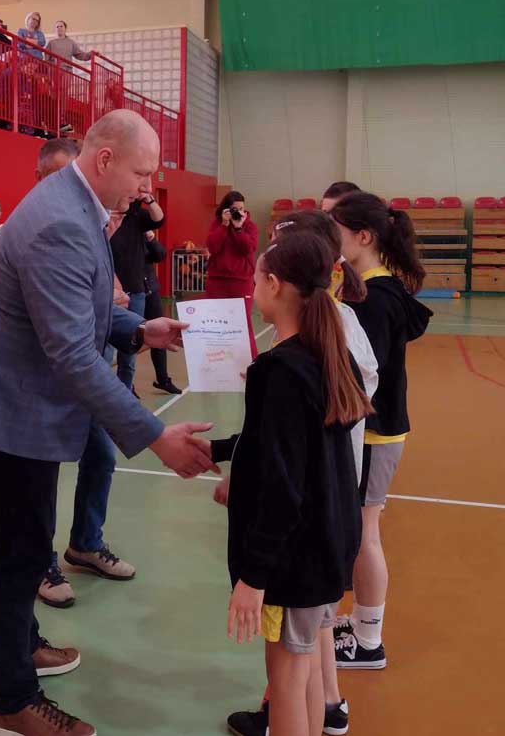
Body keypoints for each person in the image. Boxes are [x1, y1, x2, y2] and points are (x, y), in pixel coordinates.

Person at [0, 109, 217, 736]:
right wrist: (155, 435)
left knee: (27, 539)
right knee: (20, 552)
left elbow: (78, 305)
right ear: (104, 159)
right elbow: (70, 351)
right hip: (9, 405)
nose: (146, 189)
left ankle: (23, 645)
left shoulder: (76, 205)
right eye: (142, 173)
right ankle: (13, 701)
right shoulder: (62, 222)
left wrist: (139, 329)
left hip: (19, 396)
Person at [222, 210, 378, 736]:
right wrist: (223, 452)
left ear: (274, 285)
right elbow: (290, 448)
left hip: (293, 559)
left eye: (256, 279)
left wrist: (253, 578)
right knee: (305, 666)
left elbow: (283, 488)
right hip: (329, 544)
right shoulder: (327, 357)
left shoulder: (281, 370)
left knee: (286, 680)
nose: (253, 289)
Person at [329, 191, 431, 673]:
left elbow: (360, 374)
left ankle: (368, 641)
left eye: (336, 231)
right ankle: (359, 624)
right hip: (373, 428)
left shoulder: (375, 298)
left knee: (365, 532)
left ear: (364, 237)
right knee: (360, 529)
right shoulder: (367, 290)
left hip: (373, 431)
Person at [109, 191, 165, 390]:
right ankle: (107, 394)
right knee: (105, 350)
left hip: (135, 290)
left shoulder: (137, 216)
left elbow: (159, 219)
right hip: (108, 292)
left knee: (130, 349)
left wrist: (149, 199)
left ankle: (126, 391)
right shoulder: (105, 216)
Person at [206, 190, 259, 360]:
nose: (239, 212)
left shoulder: (250, 226)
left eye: (242, 209)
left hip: (241, 281)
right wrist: (224, 224)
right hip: (217, 281)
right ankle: (217, 361)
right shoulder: (217, 224)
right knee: (216, 324)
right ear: (226, 209)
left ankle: (250, 362)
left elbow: (247, 249)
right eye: (235, 209)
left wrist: (238, 228)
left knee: (243, 324)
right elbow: (213, 247)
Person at [143, 230, 181, 395]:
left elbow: (160, 254)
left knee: (160, 333)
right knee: (131, 336)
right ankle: (127, 384)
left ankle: (163, 379)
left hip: (151, 289)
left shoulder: (144, 233)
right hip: (133, 290)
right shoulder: (121, 234)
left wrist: (151, 238)